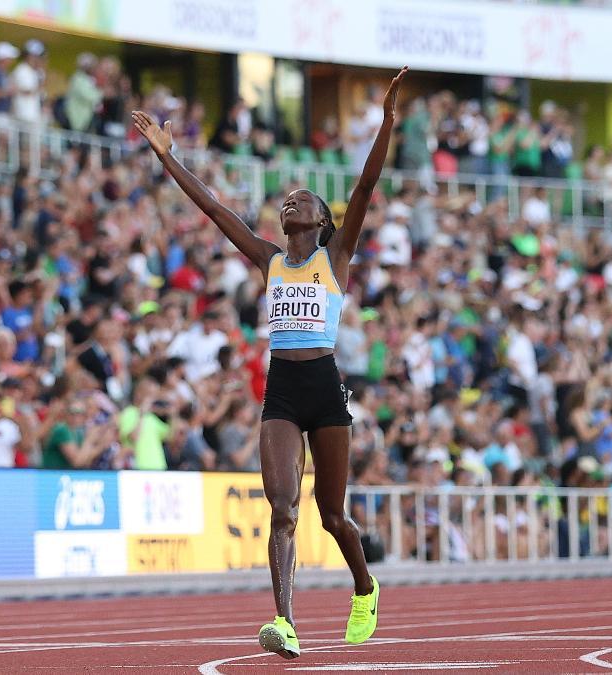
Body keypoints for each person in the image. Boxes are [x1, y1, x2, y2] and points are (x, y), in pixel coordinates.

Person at [132, 65, 407, 659]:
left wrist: (384, 125)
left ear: (321, 220)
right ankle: (283, 621)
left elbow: (364, 187)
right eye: (285, 199)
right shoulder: (269, 259)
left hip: (325, 387)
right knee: (280, 509)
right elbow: (211, 208)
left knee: (332, 516)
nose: (290, 200)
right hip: (282, 387)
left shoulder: (336, 256)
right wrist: (167, 157)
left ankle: (365, 586)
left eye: (301, 199)